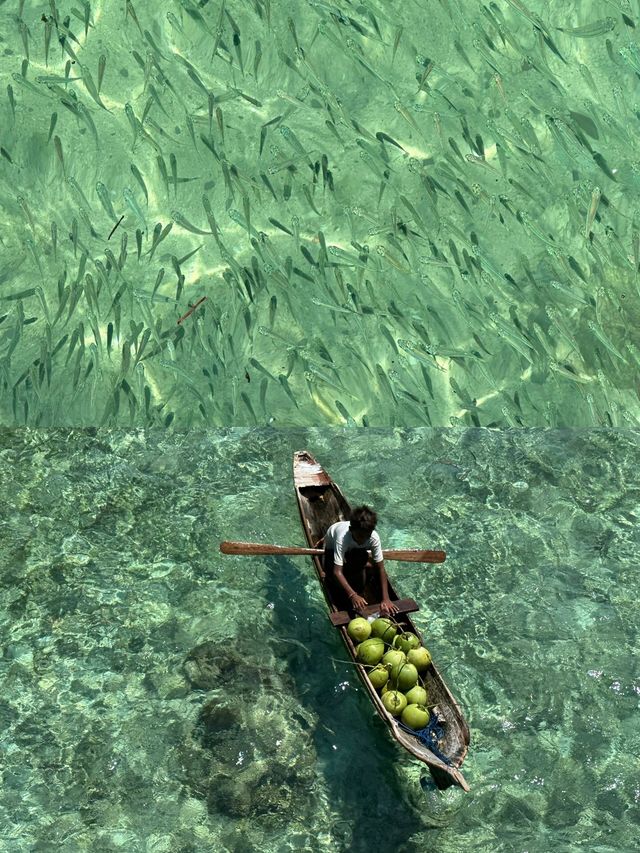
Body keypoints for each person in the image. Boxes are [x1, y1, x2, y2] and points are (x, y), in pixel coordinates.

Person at [313, 505, 399, 617]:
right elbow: (337, 572)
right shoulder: (342, 538)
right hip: (332, 547)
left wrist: (386, 599)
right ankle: (324, 540)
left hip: (355, 551)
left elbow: (381, 568)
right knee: (332, 578)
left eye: (366, 536)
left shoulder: (373, 537)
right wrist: (352, 595)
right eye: (359, 536)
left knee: (363, 560)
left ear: (371, 531)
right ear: (351, 530)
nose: (362, 540)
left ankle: (361, 564)